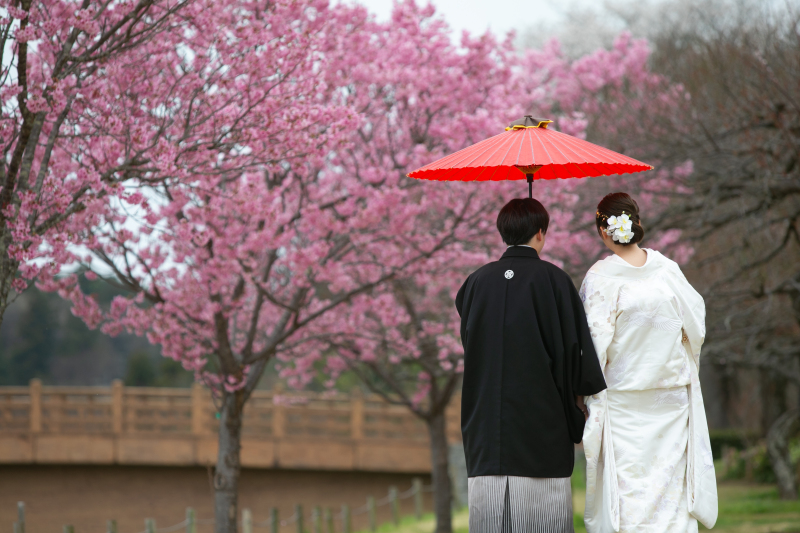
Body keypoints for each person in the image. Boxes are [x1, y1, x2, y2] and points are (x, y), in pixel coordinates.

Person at [456, 197, 607, 533]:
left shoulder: (475, 282)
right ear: (541, 232)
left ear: (504, 232)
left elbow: (472, 343)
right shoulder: (554, 281)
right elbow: (575, 351)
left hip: (486, 428)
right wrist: (579, 403)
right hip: (541, 425)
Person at [580, 192, 718, 533]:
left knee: (630, 490)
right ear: (637, 222)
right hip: (670, 396)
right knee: (671, 487)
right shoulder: (666, 269)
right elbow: (696, 325)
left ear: (603, 230)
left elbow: (593, 345)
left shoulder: (601, 277)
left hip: (624, 399)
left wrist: (583, 394)